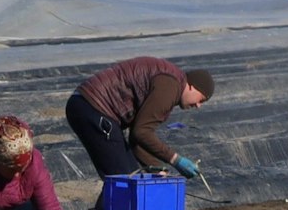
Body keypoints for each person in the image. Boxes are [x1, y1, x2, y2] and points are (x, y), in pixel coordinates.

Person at [65, 56, 214, 199]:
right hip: (93, 106)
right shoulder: (170, 86)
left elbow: (137, 138)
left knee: (132, 177)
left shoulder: (171, 83)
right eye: (201, 99)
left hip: (87, 104)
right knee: (125, 181)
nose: (198, 106)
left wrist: (157, 169)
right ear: (192, 86)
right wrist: (175, 160)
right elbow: (141, 132)